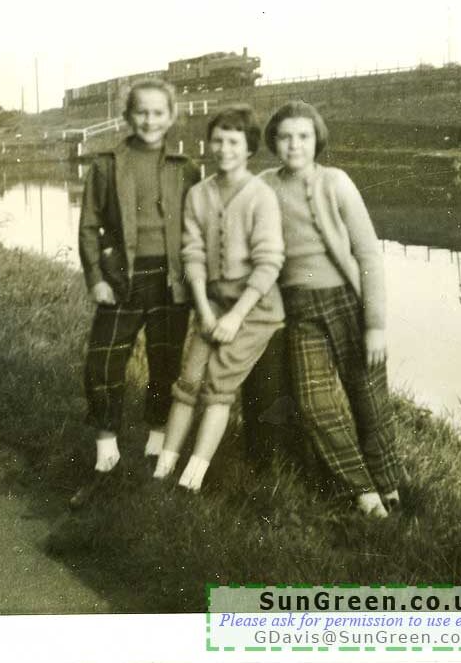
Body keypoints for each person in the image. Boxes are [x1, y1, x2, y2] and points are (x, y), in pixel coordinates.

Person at [258, 101, 402, 518]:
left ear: (316, 139)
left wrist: (375, 325)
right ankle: (363, 491)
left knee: (369, 398)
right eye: (285, 137)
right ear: (274, 142)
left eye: (303, 136)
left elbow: (369, 255)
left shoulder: (336, 182)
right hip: (299, 311)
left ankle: (389, 484)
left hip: (346, 301)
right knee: (315, 402)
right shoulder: (264, 185)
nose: (294, 145)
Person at [72, 78, 200, 508]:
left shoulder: (186, 168)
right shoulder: (107, 165)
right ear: (128, 116)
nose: (150, 120)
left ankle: (155, 446)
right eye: (141, 112)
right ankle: (106, 452)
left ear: (171, 117)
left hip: (171, 281)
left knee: (165, 363)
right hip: (123, 280)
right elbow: (89, 226)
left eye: (158, 113)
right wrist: (97, 279)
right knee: (103, 361)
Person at [153, 105, 284, 492]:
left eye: (233, 142)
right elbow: (191, 255)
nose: (223, 149)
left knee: (218, 385)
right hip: (211, 305)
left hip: (254, 309)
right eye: (217, 140)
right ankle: (163, 469)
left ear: (248, 149)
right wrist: (205, 310)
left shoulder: (261, 195)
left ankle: (192, 478)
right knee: (188, 381)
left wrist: (233, 318)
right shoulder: (198, 194)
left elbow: (269, 262)